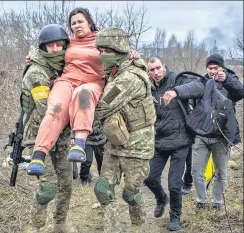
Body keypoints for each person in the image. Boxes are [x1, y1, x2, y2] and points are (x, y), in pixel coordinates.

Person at [27, 8, 139, 176]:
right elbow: (48, 49)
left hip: (92, 82)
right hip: (66, 80)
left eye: (80, 21)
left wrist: (133, 54)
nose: (77, 25)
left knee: (83, 95)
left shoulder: (102, 39)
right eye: (73, 23)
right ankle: (39, 154)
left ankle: (79, 143)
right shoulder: (68, 42)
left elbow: (119, 50)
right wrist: (33, 57)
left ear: (89, 22)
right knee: (55, 108)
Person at [94, 27, 156, 233]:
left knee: (131, 194)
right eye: (100, 50)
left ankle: (137, 228)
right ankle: (111, 229)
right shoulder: (115, 70)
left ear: (120, 52)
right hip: (115, 142)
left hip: (137, 146)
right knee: (103, 190)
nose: (103, 56)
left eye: (108, 51)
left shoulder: (130, 78)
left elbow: (102, 106)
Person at [21, 24, 72, 233]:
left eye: (59, 45)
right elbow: (47, 110)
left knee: (66, 185)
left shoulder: (63, 67)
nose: (55, 49)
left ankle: (59, 226)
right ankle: (36, 227)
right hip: (38, 138)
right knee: (48, 187)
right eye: (50, 46)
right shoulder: (36, 72)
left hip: (60, 138)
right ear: (43, 47)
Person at [144, 56, 204, 231]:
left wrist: (176, 91)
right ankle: (162, 198)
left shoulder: (177, 79)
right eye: (151, 70)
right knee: (149, 178)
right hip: (160, 140)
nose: (156, 73)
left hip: (180, 140)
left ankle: (175, 217)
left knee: (175, 185)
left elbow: (199, 86)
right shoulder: (148, 86)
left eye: (158, 68)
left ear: (164, 66)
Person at [191, 54, 244, 210]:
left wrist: (225, 79)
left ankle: (217, 203)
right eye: (210, 68)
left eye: (216, 68)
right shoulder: (202, 82)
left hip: (221, 136)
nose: (213, 71)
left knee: (221, 172)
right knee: (196, 171)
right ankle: (201, 201)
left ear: (222, 67)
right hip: (201, 135)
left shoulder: (230, 80)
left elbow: (240, 92)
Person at [73, 119, 106, 186]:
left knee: (102, 160)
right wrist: (73, 137)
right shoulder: (81, 109)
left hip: (101, 138)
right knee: (87, 161)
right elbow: (74, 121)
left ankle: (102, 177)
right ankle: (84, 178)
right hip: (86, 139)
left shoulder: (101, 109)